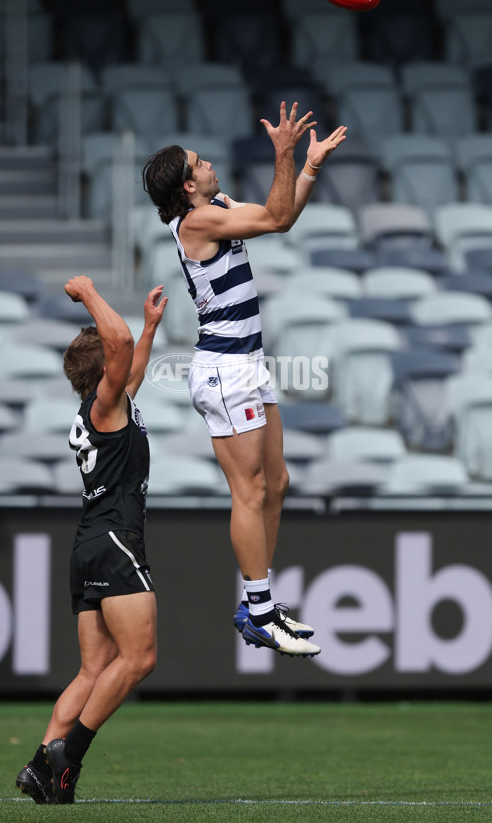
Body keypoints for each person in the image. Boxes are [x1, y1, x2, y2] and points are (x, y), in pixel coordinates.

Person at [142, 101, 347, 659]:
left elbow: (280, 215)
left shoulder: (218, 208)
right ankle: (259, 610)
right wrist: (283, 154)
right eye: (200, 163)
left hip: (248, 366)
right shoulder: (199, 221)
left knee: (275, 484)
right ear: (187, 187)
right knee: (250, 490)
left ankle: (260, 603)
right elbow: (278, 218)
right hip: (226, 370)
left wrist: (307, 168)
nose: (209, 165)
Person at [16, 276, 167, 805]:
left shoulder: (104, 408)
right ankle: (69, 755)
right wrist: (88, 293)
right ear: (105, 369)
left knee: (94, 669)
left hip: (88, 543)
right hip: (114, 537)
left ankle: (40, 766)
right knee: (140, 656)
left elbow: (133, 360)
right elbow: (119, 347)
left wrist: (148, 327)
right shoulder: (106, 405)